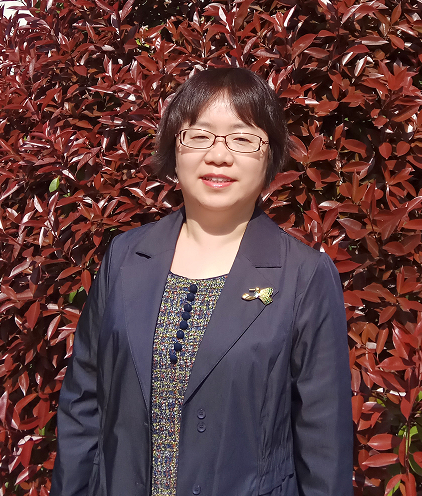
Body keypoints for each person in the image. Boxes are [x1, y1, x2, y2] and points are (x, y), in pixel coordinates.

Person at [50, 67, 353, 496]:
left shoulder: (303, 276)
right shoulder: (126, 257)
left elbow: (324, 446)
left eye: (243, 138)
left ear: (270, 155)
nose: (219, 155)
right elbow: (83, 404)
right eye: (199, 135)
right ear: (175, 148)